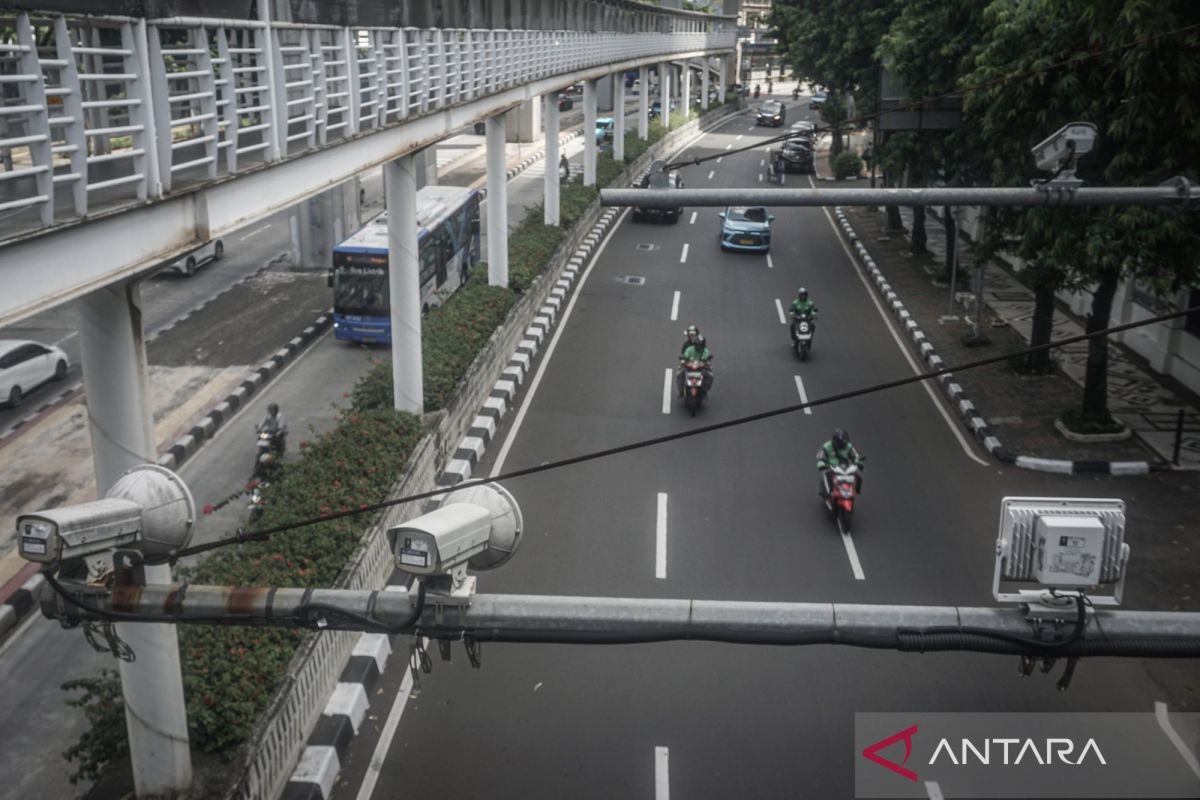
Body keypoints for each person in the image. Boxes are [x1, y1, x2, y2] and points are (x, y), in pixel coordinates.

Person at [816, 428, 864, 498]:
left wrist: (858, 462)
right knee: (827, 475)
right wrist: (821, 464)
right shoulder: (826, 446)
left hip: (845, 467)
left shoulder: (849, 446)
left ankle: (855, 490)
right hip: (831, 467)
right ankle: (827, 492)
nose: (843, 445)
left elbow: (855, 456)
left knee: (858, 476)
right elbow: (820, 456)